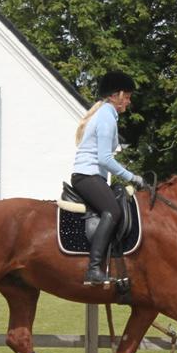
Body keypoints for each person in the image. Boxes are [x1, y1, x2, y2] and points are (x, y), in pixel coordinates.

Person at [72, 70, 145, 285]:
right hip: (87, 175)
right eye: (128, 97)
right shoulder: (106, 117)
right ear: (117, 95)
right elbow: (104, 158)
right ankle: (94, 269)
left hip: (92, 176)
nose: (129, 102)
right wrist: (132, 177)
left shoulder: (105, 114)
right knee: (112, 210)